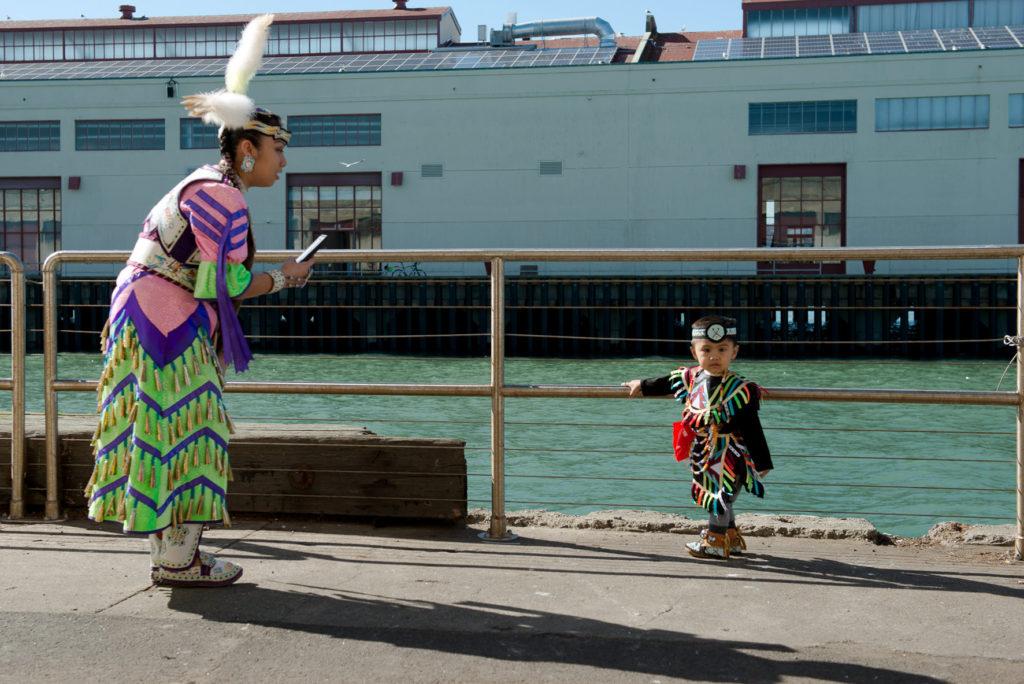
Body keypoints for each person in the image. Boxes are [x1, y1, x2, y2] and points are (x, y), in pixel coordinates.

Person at [82, 14, 312, 587]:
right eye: (277, 147)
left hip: (152, 316)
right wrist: (285, 278)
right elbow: (220, 285)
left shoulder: (208, 185)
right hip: (165, 324)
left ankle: (175, 556)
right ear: (247, 150)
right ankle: (178, 561)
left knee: (168, 433)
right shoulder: (220, 197)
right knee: (188, 433)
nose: (283, 160)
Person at [622, 315, 772, 559]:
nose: (714, 356)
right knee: (720, 496)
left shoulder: (740, 389)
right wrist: (642, 384)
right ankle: (730, 539)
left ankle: (714, 541)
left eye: (722, 349)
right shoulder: (692, 377)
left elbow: (752, 427)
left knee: (720, 496)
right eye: (707, 350)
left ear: (734, 352)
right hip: (704, 450)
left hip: (730, 455)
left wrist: (762, 462)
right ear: (694, 352)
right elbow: (666, 384)